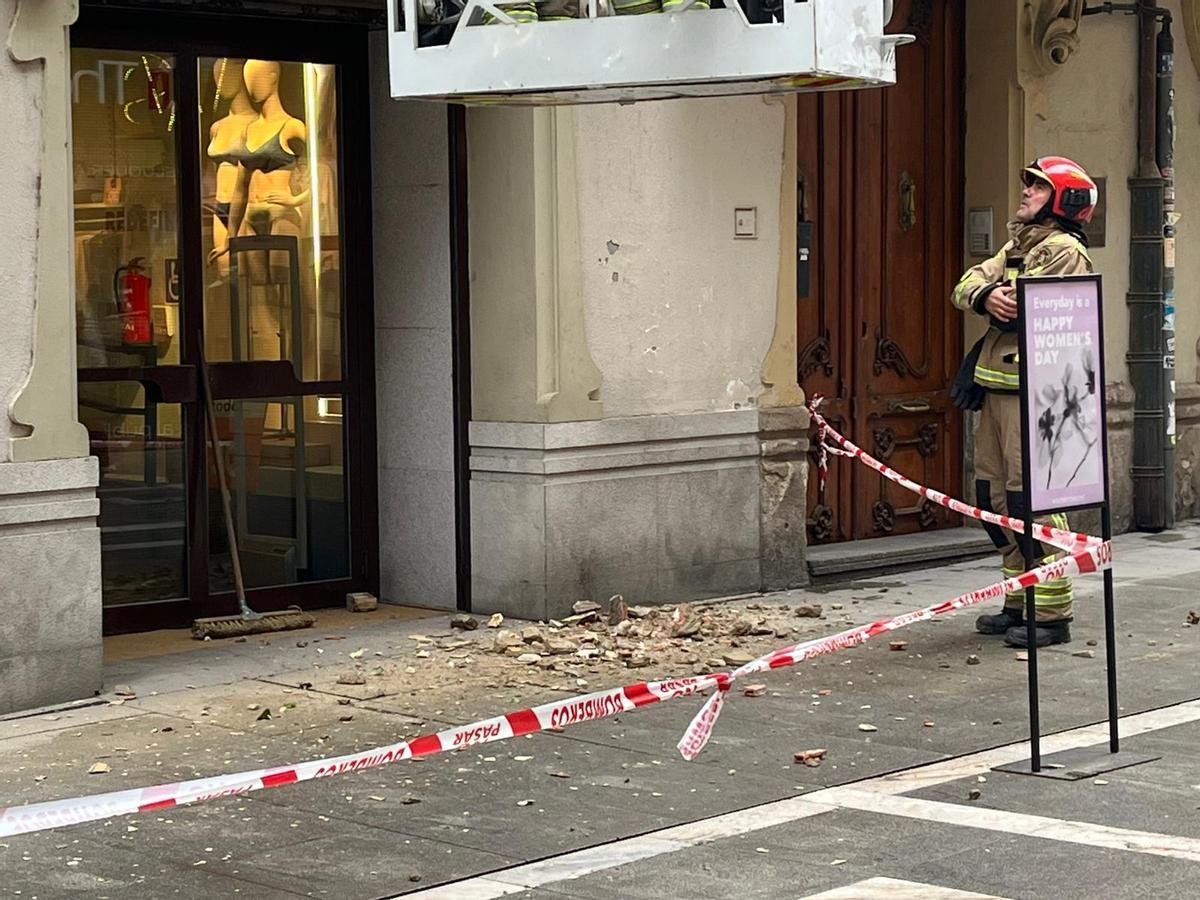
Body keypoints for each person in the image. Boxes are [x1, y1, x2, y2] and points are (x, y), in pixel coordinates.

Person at [950, 156, 1098, 648]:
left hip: (1035, 396)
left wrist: (993, 295)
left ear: (1063, 201)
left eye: (1036, 188)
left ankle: (1051, 613)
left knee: (1029, 500)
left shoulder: (1062, 251)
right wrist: (985, 293)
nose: (1025, 194)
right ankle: (1019, 598)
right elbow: (965, 286)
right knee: (992, 500)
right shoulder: (1019, 244)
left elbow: (1025, 304)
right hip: (997, 390)